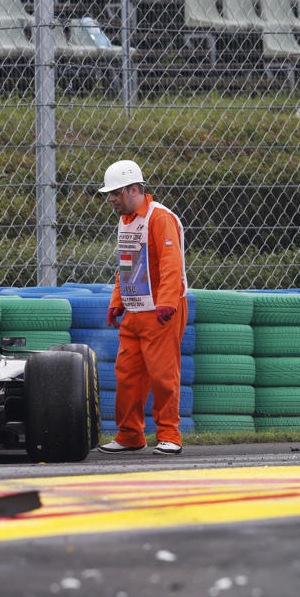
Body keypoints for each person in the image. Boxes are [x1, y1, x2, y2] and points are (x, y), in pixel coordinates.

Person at [97, 160, 188, 455]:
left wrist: (166, 303)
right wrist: (117, 301)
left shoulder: (160, 218)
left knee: (163, 374)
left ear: (133, 189)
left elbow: (172, 265)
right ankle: (130, 435)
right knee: (127, 376)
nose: (110, 198)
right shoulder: (126, 221)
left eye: (115, 193)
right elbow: (126, 265)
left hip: (161, 312)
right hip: (135, 311)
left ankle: (170, 435)